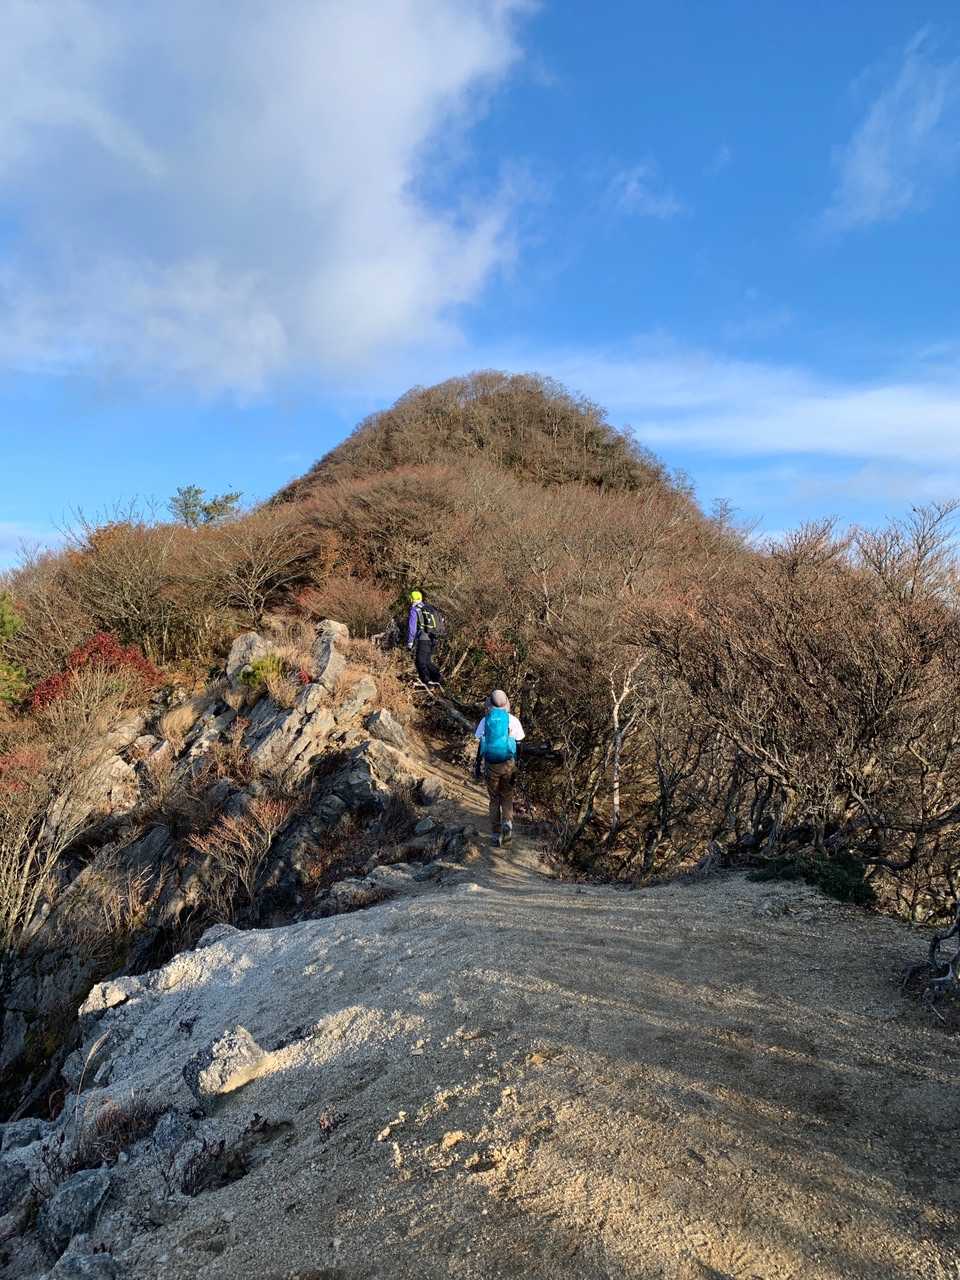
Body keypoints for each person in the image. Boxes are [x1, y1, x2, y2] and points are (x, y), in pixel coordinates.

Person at [474, 690, 525, 846]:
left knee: (494, 799)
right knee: (507, 796)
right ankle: (507, 826)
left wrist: (478, 764)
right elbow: (519, 743)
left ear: (490, 704)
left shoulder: (485, 720)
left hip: (491, 764)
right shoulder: (513, 720)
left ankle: (496, 834)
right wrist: (518, 763)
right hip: (508, 764)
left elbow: (480, 741)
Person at [406, 590, 444, 687]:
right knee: (427, 661)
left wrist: (410, 642)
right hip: (433, 638)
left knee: (420, 661)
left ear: (412, 599)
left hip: (423, 638)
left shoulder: (415, 609)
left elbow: (412, 627)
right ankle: (437, 679)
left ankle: (428, 681)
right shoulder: (428, 608)